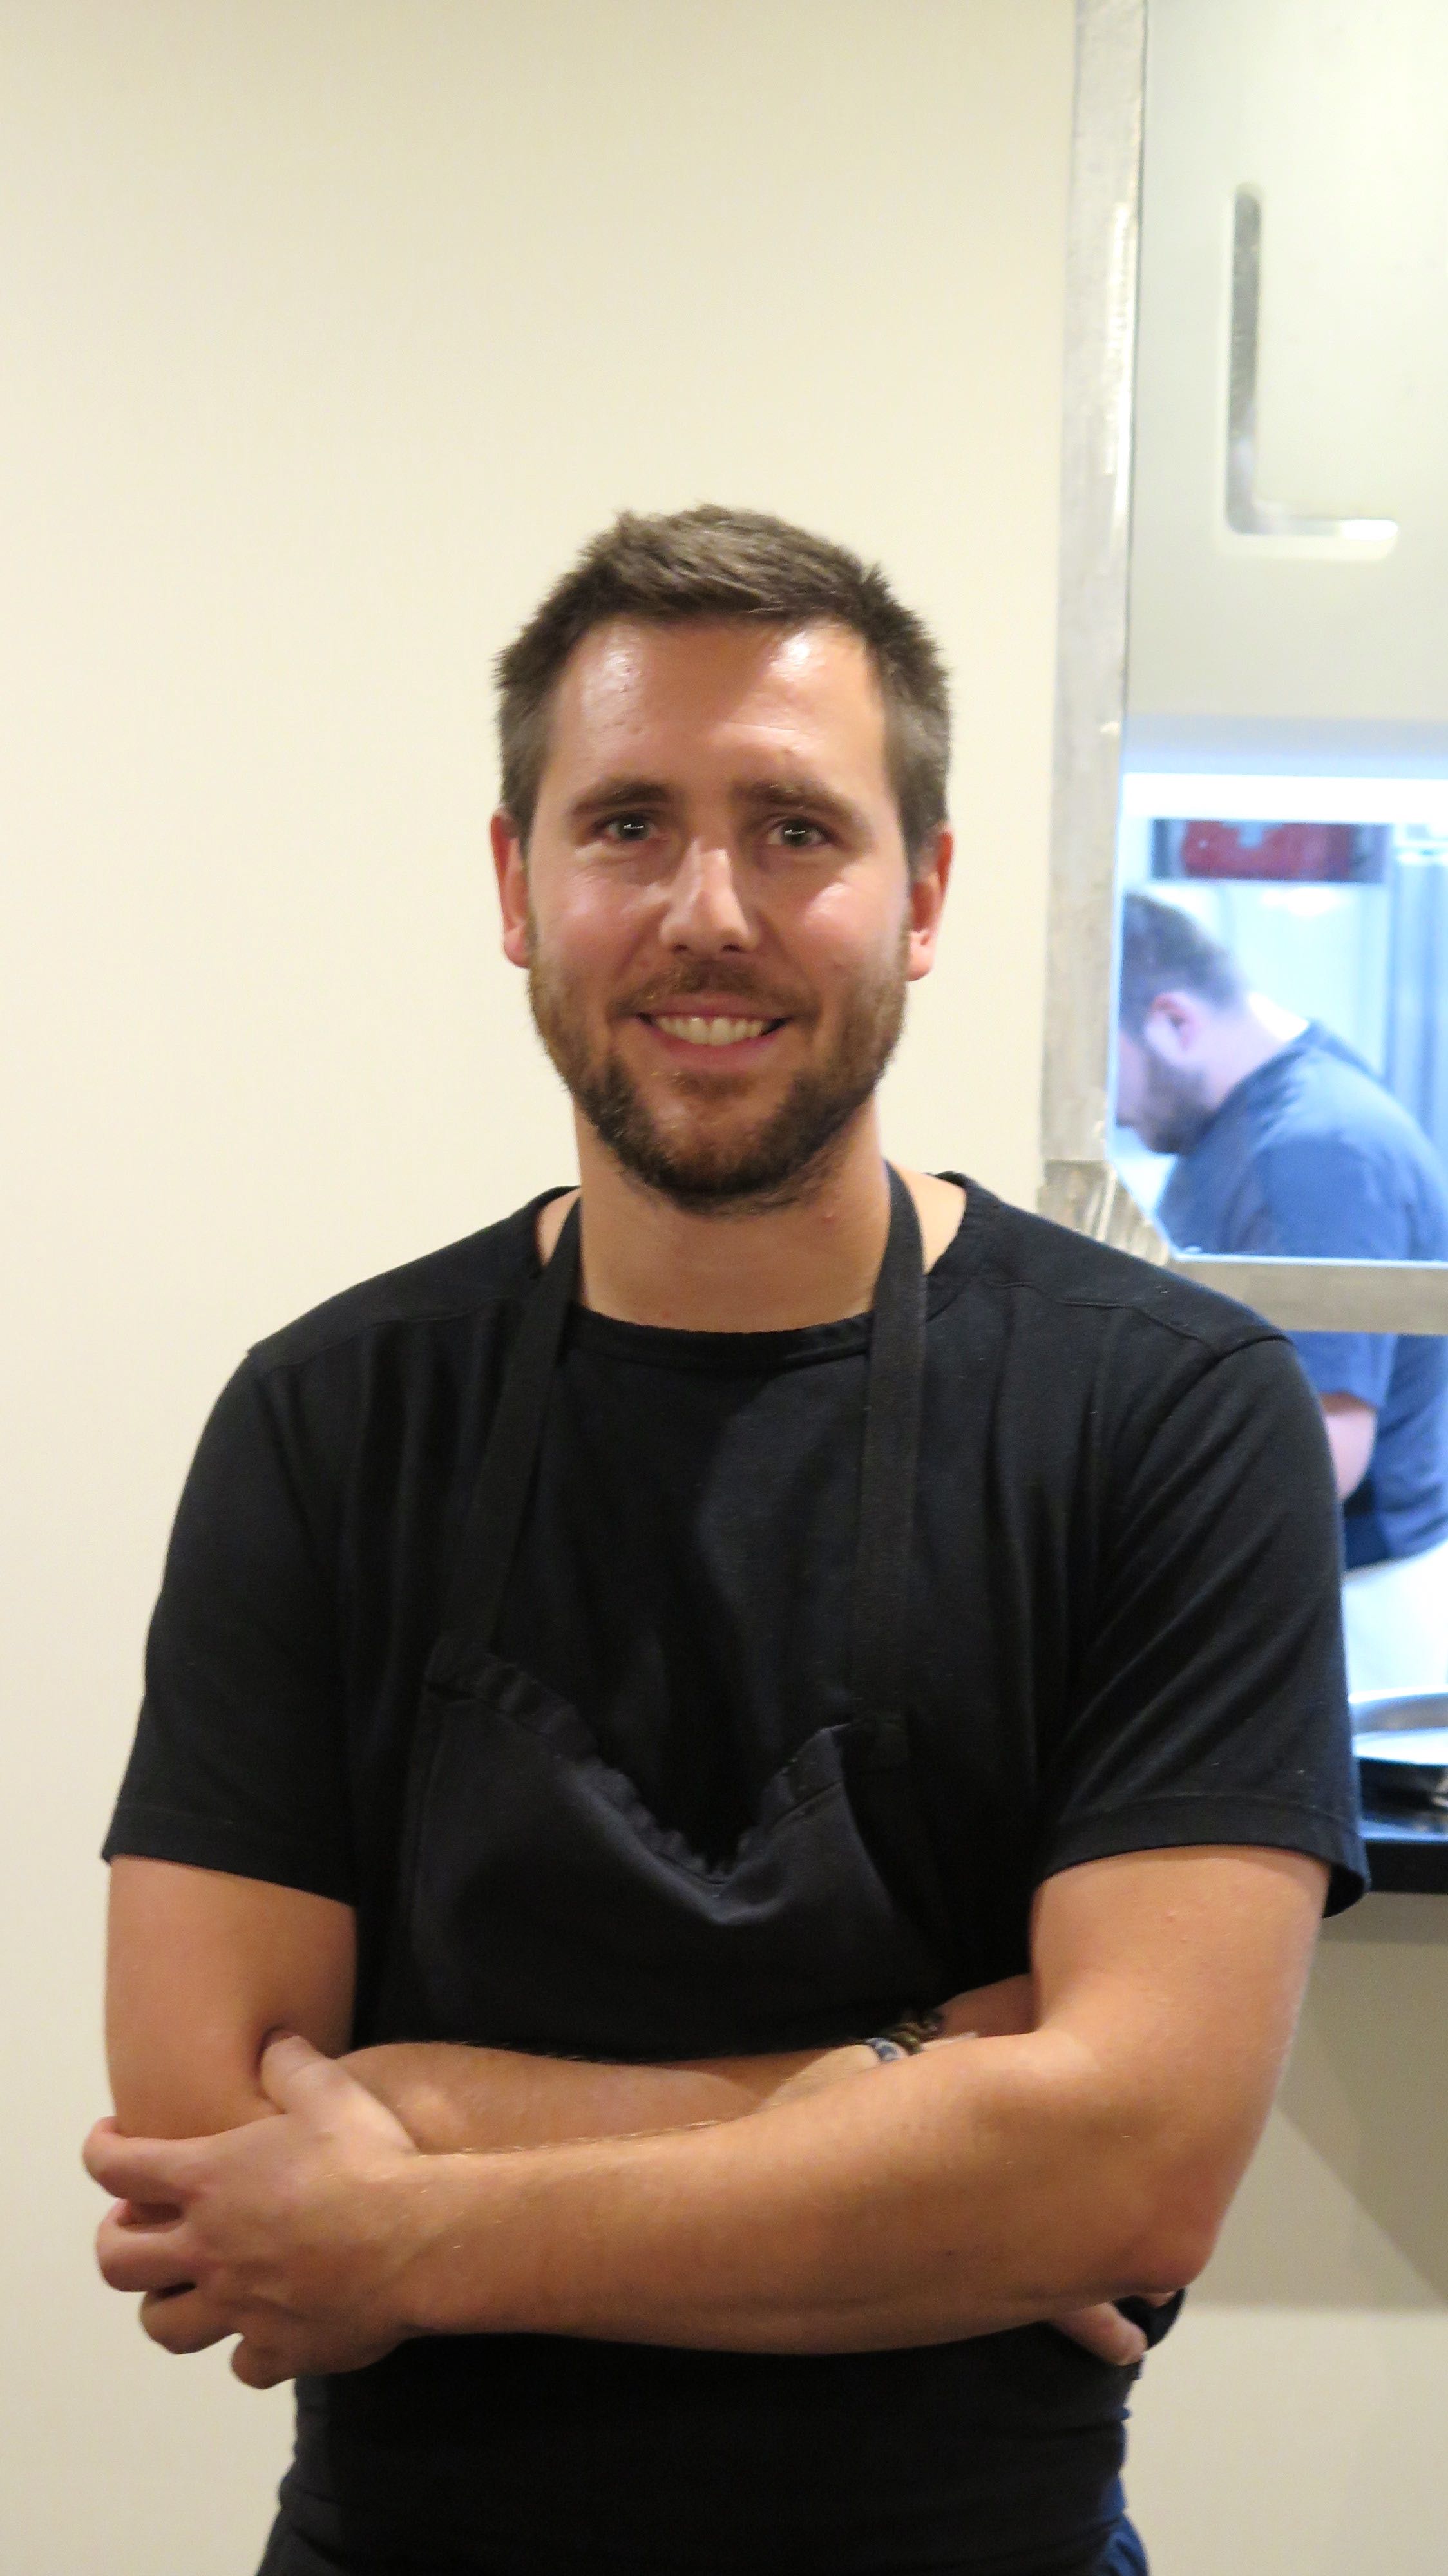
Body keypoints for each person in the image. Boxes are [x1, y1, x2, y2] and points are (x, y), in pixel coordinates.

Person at [88, 508, 1364, 2576]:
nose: (707, 913)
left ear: (922, 895)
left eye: (793, 831)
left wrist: (412, 2197)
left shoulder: (1167, 1415)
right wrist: (924, 2092)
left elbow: (1130, 2169)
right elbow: (208, 2143)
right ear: (515, 887)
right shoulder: (329, 1420)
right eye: (626, 826)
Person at [1116, 889, 1448, 1698]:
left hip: (1361, 1608)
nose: (1113, 1111)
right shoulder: (1251, 1121)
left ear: (1173, 1021)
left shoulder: (1312, 1147)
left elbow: (1327, 1448)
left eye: (1108, 1068)